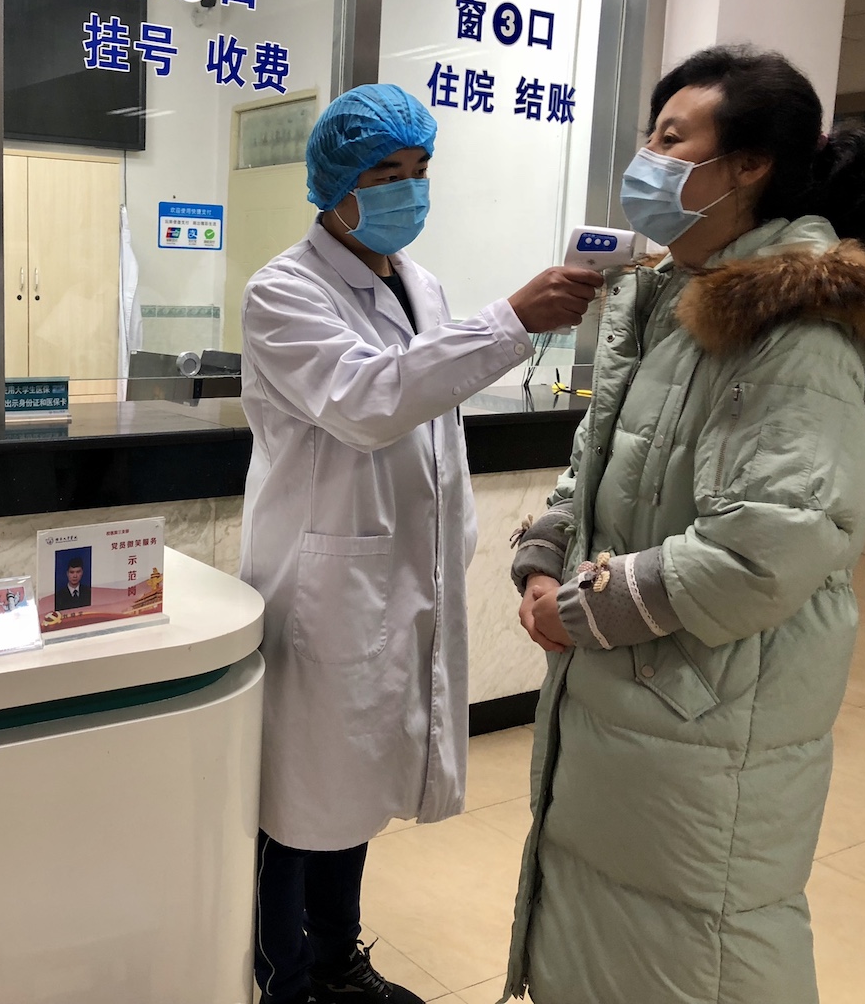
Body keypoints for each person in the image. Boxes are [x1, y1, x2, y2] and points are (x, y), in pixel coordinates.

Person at [503, 46, 865, 1004]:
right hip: (634, 703)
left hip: (709, 715)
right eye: (650, 134)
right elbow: (598, 463)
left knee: (704, 948)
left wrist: (580, 611)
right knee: (605, 929)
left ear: (749, 165)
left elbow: (769, 545)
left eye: (671, 139)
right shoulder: (664, 306)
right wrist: (544, 557)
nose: (646, 158)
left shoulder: (795, 331)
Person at [240, 83, 604, 1004]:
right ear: (334, 184)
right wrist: (512, 319)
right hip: (324, 585)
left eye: (419, 169)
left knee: (357, 782)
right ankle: (284, 982)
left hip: (403, 572)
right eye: (384, 174)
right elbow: (370, 400)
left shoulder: (422, 284)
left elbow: (431, 413)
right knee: (297, 796)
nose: (408, 189)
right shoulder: (283, 291)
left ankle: (337, 964)